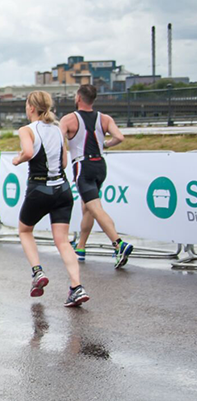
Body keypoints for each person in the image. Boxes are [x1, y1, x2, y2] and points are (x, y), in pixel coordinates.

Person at [14, 91, 89, 307]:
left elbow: (28, 152)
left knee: (25, 230)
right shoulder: (58, 130)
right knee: (63, 241)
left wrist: (18, 159)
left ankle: (37, 272)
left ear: (30, 107)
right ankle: (77, 287)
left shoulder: (26, 130)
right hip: (63, 189)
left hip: (39, 188)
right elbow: (64, 162)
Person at [59, 84, 133, 267]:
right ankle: (81, 248)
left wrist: (60, 163)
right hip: (100, 165)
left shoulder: (69, 119)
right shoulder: (105, 118)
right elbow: (120, 138)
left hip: (82, 166)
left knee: (94, 208)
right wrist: (105, 144)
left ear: (78, 98)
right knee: (88, 208)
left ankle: (118, 243)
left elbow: (59, 142)